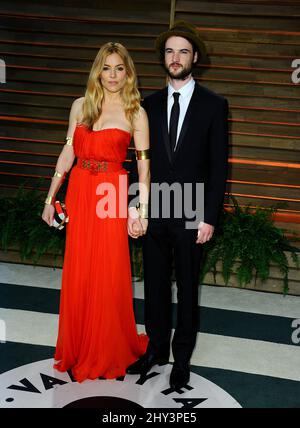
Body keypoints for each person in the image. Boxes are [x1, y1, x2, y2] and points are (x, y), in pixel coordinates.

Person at [126, 22, 229, 391]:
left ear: (195, 58)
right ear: (163, 59)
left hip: (191, 212)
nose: (176, 58)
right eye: (170, 51)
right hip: (154, 211)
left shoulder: (214, 105)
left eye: (183, 51)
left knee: (187, 287)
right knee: (154, 285)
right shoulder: (146, 105)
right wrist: (135, 209)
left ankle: (181, 356)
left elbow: (219, 166)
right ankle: (155, 349)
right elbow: (136, 162)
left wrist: (209, 217)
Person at [41, 42, 150, 382]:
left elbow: (145, 169)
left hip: (111, 193)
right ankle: (78, 346)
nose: (113, 75)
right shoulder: (80, 106)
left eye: (119, 68)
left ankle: (107, 349)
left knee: (108, 270)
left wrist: (141, 210)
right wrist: (49, 199)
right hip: (81, 190)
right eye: (107, 68)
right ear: (97, 71)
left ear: (128, 73)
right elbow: (68, 152)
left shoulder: (136, 112)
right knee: (81, 271)